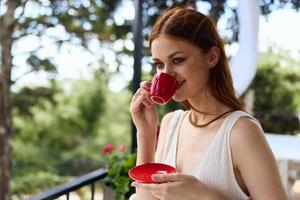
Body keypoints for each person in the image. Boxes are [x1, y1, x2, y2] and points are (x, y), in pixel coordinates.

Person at [129, 7, 288, 200]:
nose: (165, 73)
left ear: (212, 57)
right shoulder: (172, 123)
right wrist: (145, 133)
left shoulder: (241, 132)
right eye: (159, 64)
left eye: (177, 60)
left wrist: (204, 195)